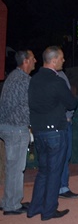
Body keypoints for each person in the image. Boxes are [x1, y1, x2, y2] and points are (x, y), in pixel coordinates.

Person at [27, 46, 77, 220]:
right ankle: (49, 210)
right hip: (55, 130)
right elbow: (71, 103)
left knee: (43, 171)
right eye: (61, 58)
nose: (63, 61)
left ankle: (35, 207)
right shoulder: (57, 81)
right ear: (54, 60)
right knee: (54, 171)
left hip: (38, 130)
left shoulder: (34, 80)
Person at [0, 49, 36, 215]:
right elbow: (28, 106)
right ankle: (12, 205)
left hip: (7, 126)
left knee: (12, 167)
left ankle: (9, 200)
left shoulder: (12, 76)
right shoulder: (24, 80)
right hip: (16, 128)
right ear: (26, 61)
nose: (35, 61)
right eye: (33, 58)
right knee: (16, 168)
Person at [55, 67, 78, 199]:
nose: (64, 60)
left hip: (61, 120)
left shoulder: (59, 75)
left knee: (64, 155)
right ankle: (61, 187)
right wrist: (68, 115)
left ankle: (60, 186)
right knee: (63, 154)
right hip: (63, 121)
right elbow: (68, 99)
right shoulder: (58, 76)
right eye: (61, 58)